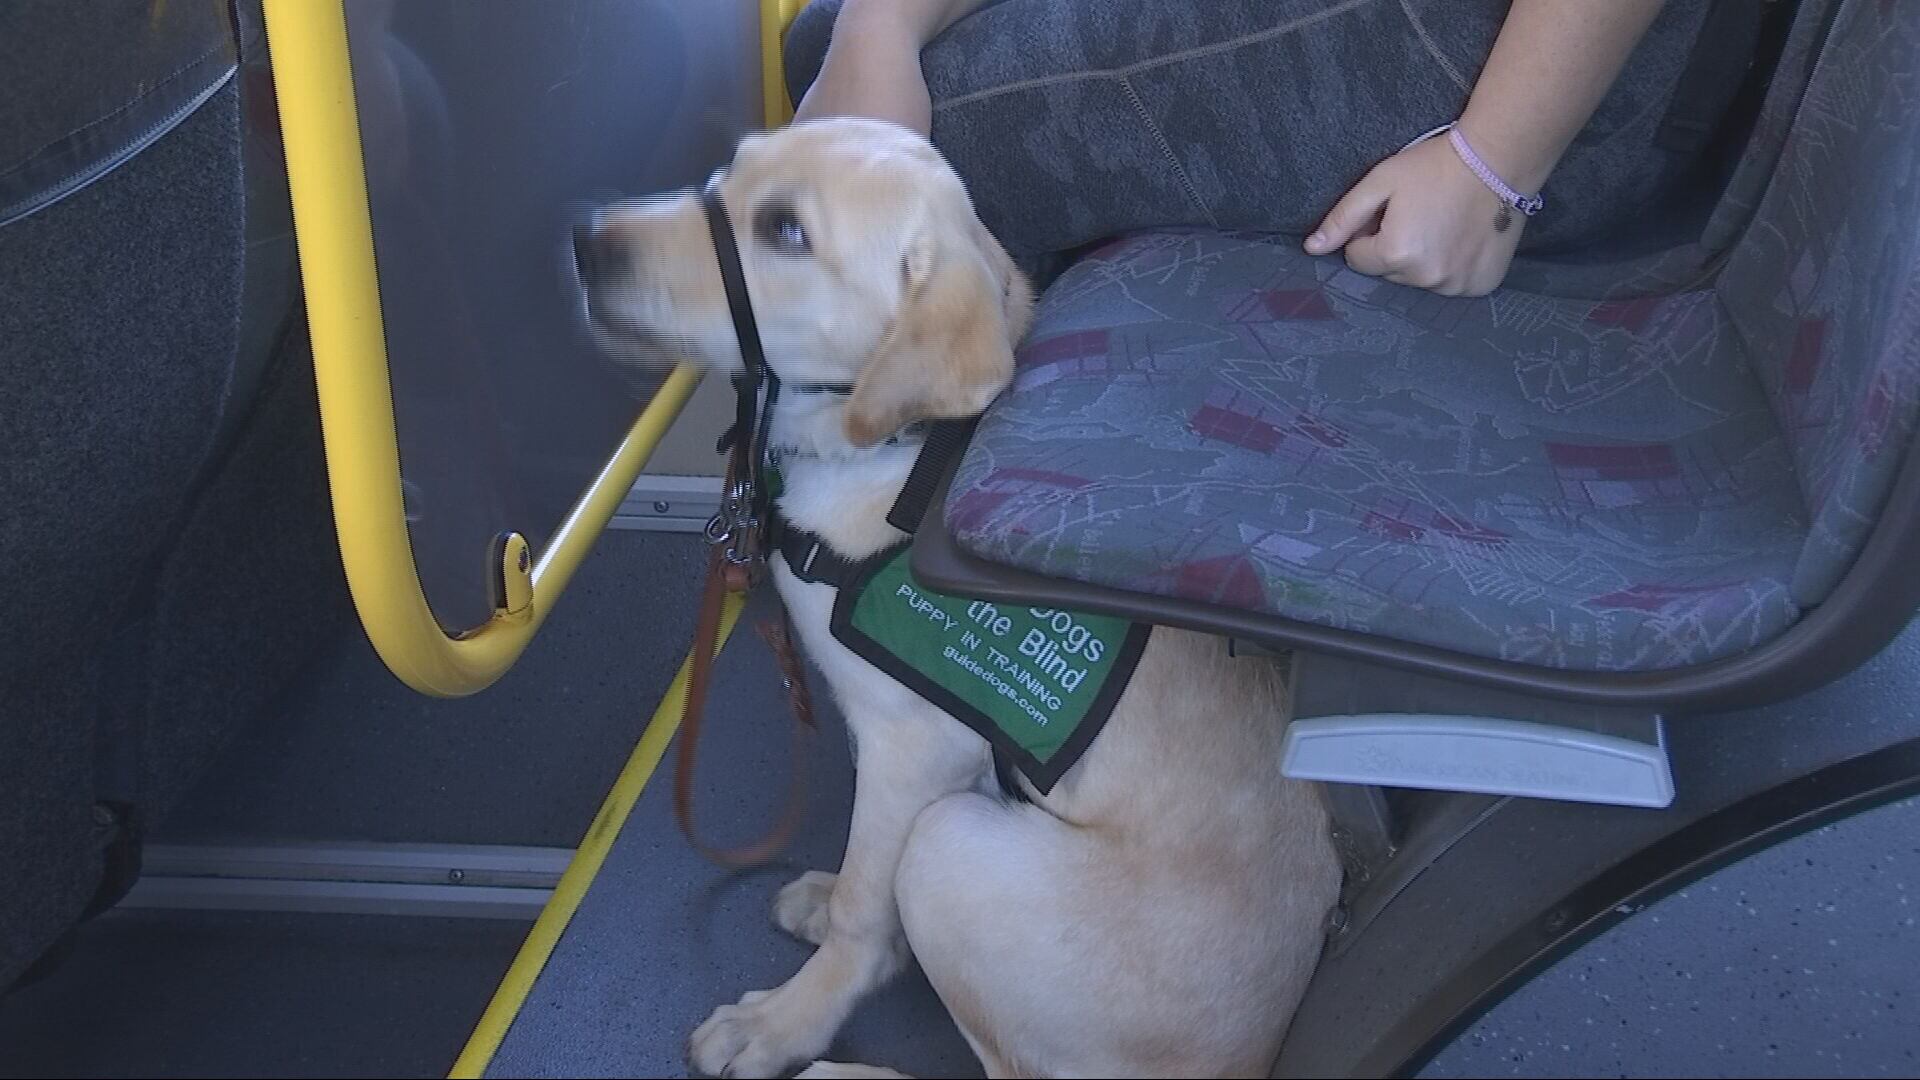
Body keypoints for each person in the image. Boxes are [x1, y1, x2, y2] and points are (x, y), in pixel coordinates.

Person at [782, 0, 1765, 297]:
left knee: (936, 139)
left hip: (1539, 66)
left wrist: (1493, 163)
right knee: (826, 42)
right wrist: (880, 24)